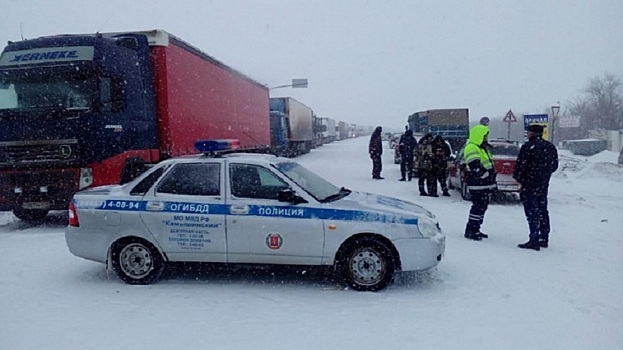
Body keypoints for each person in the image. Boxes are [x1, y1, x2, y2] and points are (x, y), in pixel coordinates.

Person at [513, 124, 559, 251]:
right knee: (542, 210)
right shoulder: (550, 147)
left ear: (532, 133)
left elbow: (520, 166)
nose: (527, 134)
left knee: (532, 211)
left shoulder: (528, 147)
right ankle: (544, 237)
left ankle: (534, 238)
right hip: (543, 184)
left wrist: (520, 178)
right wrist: (544, 175)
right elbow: (554, 165)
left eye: (528, 132)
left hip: (529, 184)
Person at [463, 124, 497, 241]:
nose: (486, 138)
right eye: (485, 136)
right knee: (477, 207)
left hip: (485, 184)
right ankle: (471, 230)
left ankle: (476, 228)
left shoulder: (483, 148)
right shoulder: (472, 147)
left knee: (482, 208)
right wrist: (485, 175)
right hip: (478, 184)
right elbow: (474, 166)